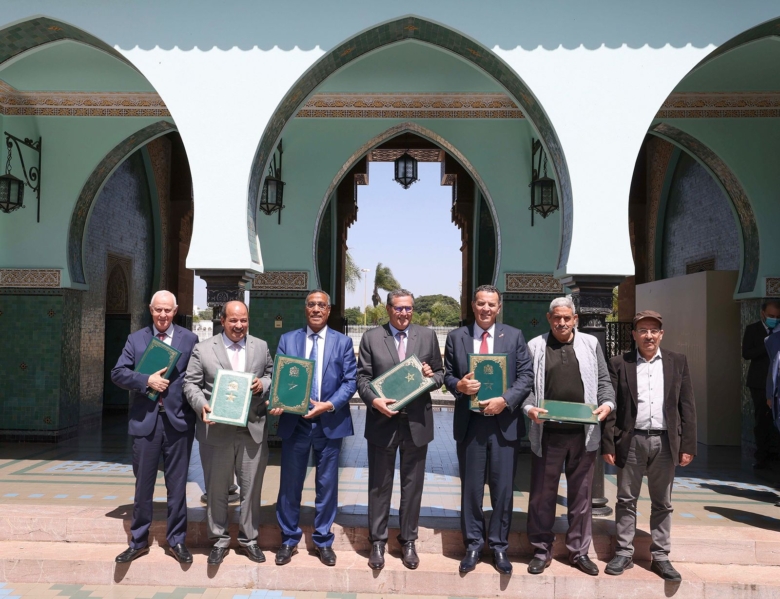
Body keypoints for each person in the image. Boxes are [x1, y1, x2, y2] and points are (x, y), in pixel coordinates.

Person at [444, 285, 533, 575]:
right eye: (481, 303)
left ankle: (498, 546)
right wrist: (458, 385)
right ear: (473, 305)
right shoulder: (456, 337)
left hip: (503, 424)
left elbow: (526, 376)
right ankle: (472, 545)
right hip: (470, 425)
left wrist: (504, 400)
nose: (486, 309)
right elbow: (447, 374)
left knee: (503, 489)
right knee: (471, 489)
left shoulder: (515, 336)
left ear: (499, 307)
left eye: (491, 304)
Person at [522, 297, 615, 576]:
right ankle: (541, 549)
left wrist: (607, 404)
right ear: (549, 318)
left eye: (567, 318)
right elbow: (525, 386)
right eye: (556, 318)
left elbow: (604, 381)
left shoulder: (591, 344)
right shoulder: (535, 346)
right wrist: (529, 408)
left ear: (575, 319)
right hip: (548, 434)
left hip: (583, 435)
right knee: (542, 495)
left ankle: (579, 552)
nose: (561, 323)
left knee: (581, 497)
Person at [602, 310, 696, 581]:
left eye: (654, 330)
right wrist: (609, 444)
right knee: (626, 499)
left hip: (666, 441)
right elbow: (612, 406)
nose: (649, 335)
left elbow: (687, 405)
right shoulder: (620, 363)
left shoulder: (677, 362)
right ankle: (623, 552)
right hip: (631, 440)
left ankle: (661, 556)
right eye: (643, 330)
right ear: (634, 335)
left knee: (662, 502)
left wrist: (688, 444)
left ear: (661, 334)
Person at [357, 289, 444, 571]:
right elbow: (363, 378)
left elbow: (441, 373)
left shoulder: (427, 336)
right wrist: (374, 401)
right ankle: (377, 541)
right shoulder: (372, 337)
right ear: (388, 309)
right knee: (379, 485)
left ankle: (408, 541)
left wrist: (432, 376)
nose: (404, 313)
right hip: (383, 421)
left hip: (417, 423)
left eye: (408, 308)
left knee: (413, 486)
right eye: (398, 308)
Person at [111, 290, 198, 564]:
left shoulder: (189, 339)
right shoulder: (136, 339)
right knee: (143, 486)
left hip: (178, 422)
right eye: (158, 309)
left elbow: (197, 377)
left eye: (167, 310)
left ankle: (177, 541)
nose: (163, 315)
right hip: (145, 422)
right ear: (151, 310)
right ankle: (138, 541)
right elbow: (118, 373)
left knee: (177, 486)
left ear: (175, 311)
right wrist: (145, 380)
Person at [270, 290, 357, 567]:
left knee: (327, 484)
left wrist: (329, 405)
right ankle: (288, 539)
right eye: (311, 304)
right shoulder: (288, 340)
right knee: (290, 484)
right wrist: (279, 400)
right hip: (295, 423)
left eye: (321, 305)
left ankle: (323, 540)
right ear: (305, 309)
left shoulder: (343, 342)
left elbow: (350, 381)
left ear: (328, 310)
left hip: (329, 422)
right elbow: (280, 376)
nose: (316, 309)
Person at [183, 300, 274, 566]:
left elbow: (271, 374)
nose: (239, 325)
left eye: (243, 320)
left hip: (251, 429)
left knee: (251, 489)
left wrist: (263, 384)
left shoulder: (261, 347)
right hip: (216, 430)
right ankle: (219, 540)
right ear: (222, 320)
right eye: (233, 320)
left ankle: (249, 540)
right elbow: (191, 384)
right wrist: (201, 405)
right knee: (216, 489)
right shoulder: (203, 349)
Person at [743, 300, 780, 469]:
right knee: (762, 418)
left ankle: (775, 454)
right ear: (763, 313)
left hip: (776, 383)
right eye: (771, 316)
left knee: (775, 419)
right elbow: (746, 353)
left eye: (777, 317)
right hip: (759, 382)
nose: (775, 319)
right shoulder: (753, 329)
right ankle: (762, 456)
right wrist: (769, 345)